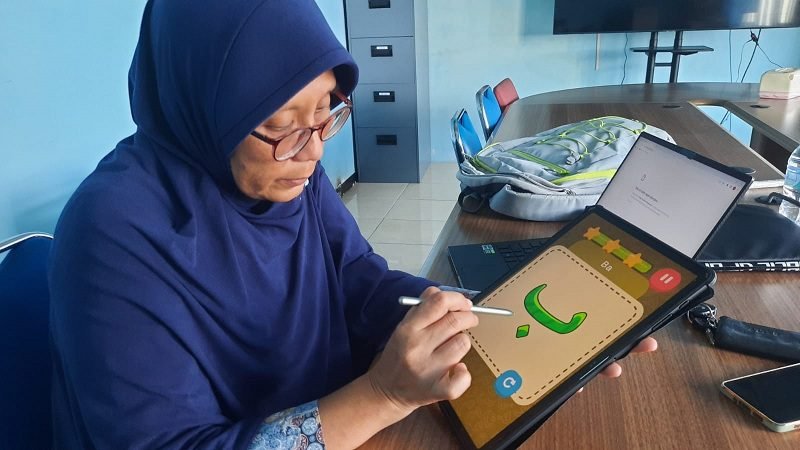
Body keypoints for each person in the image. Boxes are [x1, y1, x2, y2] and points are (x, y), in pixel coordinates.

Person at [48, 1, 656, 449]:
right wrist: (383, 395)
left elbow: (358, 278)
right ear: (203, 103)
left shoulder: (290, 171)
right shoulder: (113, 235)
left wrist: (486, 318)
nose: (314, 150)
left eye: (326, 112)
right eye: (281, 124)